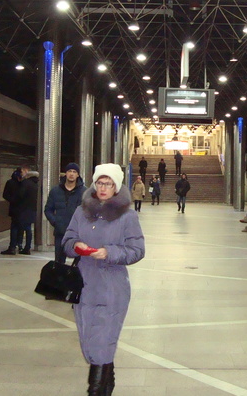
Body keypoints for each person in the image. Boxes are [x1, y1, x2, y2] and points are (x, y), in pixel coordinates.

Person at [62, 163, 145, 396]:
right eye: (100, 182)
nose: (103, 188)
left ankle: (95, 391)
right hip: (84, 287)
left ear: (116, 187)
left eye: (108, 184)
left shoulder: (127, 216)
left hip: (112, 289)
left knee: (100, 345)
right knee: (92, 344)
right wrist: (74, 246)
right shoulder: (81, 211)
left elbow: (137, 250)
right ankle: (107, 387)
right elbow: (67, 239)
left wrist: (110, 252)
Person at [44, 163, 86, 264]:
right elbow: (48, 210)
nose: (72, 174)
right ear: (65, 173)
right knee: (59, 262)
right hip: (60, 232)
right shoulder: (55, 191)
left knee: (79, 263)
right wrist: (55, 222)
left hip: (78, 234)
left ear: (78, 175)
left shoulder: (84, 192)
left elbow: (88, 212)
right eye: (69, 171)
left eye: (74, 172)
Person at [15, 165, 39, 255]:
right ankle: (27, 246)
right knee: (28, 228)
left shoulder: (26, 183)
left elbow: (20, 195)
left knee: (22, 228)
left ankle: (21, 246)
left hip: (24, 209)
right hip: (32, 208)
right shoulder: (35, 184)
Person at [1, 168, 23, 255]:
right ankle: (18, 245)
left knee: (15, 228)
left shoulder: (10, 182)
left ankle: (13, 246)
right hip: (20, 209)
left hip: (14, 208)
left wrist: (12, 200)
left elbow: (5, 195)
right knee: (20, 227)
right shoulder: (22, 183)